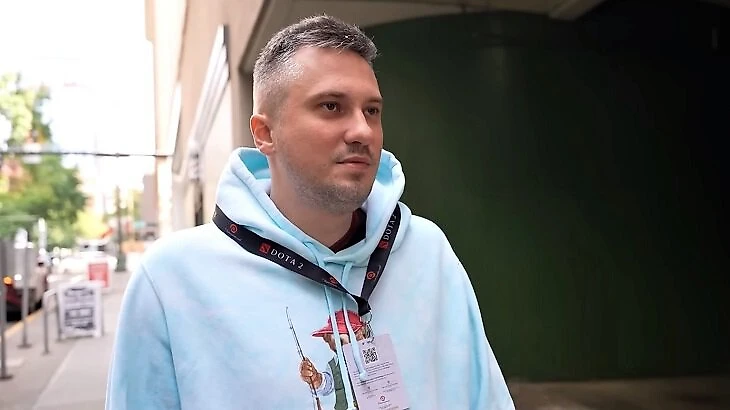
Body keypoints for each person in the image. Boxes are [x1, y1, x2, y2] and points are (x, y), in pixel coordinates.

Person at [105, 15, 515, 410]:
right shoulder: (172, 280)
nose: (362, 131)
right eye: (331, 106)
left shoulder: (427, 251)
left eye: (372, 111)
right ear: (265, 133)